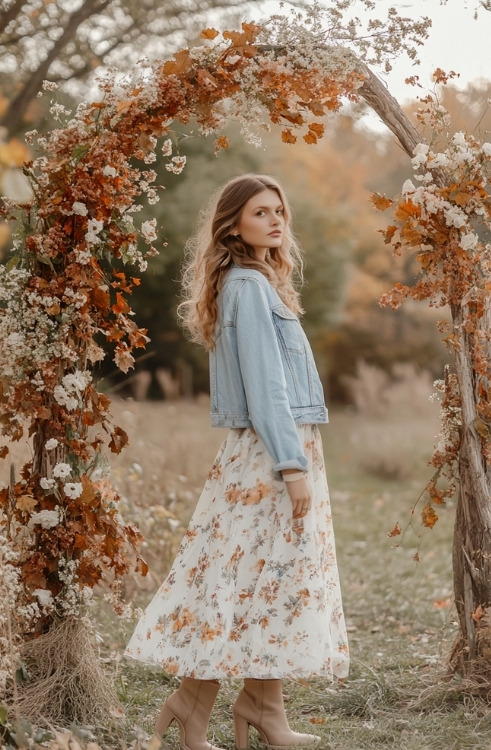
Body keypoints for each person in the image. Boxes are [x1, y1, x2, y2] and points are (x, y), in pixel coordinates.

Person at [125, 174, 349, 750]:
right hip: (270, 454)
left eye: (279, 210)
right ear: (233, 225)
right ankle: (205, 703)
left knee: (265, 580)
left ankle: (257, 707)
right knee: (243, 577)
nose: (275, 221)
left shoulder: (254, 282)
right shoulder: (247, 286)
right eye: (260, 212)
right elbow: (266, 388)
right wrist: (292, 467)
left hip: (277, 448)